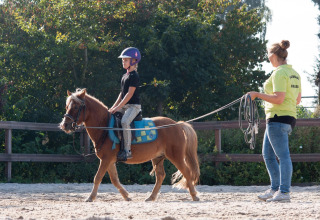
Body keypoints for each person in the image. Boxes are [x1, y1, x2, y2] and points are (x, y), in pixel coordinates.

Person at [248, 40, 301, 202]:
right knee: (268, 155)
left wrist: (256, 94)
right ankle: (275, 189)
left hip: (277, 118)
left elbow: (278, 98)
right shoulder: (294, 74)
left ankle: (284, 192)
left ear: (272, 55)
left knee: (282, 156)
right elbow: (297, 100)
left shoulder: (279, 73)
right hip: (288, 118)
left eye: (268, 54)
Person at [110, 47, 142, 160]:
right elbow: (121, 94)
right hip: (124, 106)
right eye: (122, 60)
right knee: (110, 116)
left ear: (133, 61)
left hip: (133, 106)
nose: (123, 61)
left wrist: (119, 107)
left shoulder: (134, 76)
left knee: (124, 121)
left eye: (126, 60)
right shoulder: (125, 76)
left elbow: (129, 94)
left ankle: (127, 151)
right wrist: (113, 108)